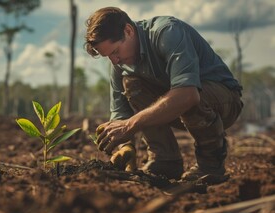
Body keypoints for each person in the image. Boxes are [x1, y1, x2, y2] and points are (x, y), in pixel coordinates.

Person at [84, 7, 243, 183]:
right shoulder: (118, 63)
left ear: (128, 31)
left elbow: (188, 95)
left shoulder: (167, 32)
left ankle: (210, 166)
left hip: (224, 102)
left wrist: (130, 125)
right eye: (108, 56)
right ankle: (165, 161)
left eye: (115, 52)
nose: (115, 61)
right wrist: (125, 147)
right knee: (132, 83)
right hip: (180, 108)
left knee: (185, 95)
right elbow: (120, 115)